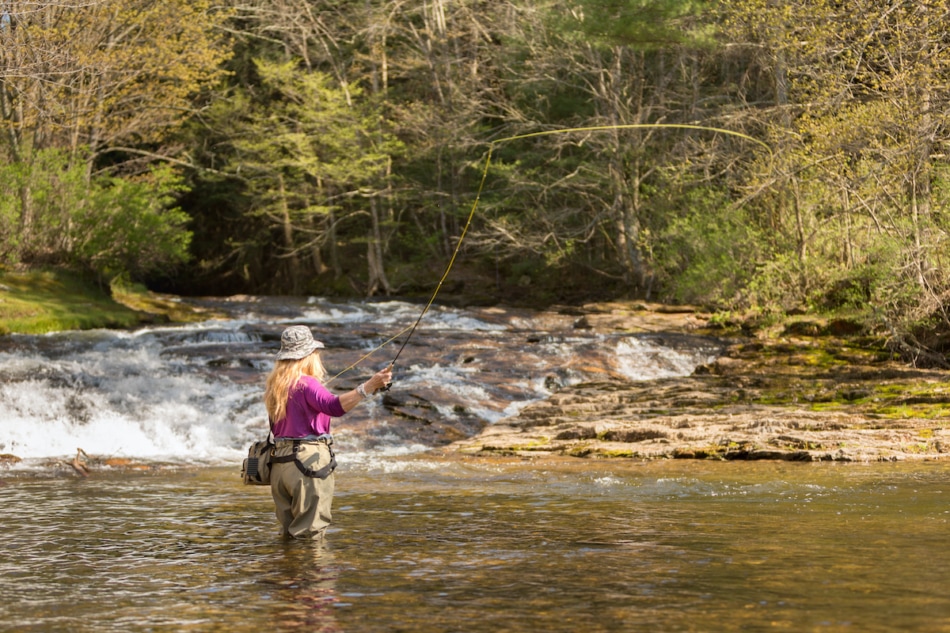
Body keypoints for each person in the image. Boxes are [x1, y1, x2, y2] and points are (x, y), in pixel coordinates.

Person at [264, 325, 392, 540]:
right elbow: (334, 407)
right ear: (309, 355)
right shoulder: (307, 383)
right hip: (307, 464)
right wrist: (368, 386)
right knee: (310, 536)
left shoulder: (275, 386)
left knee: (288, 535)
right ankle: (313, 573)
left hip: (280, 465)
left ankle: (286, 573)